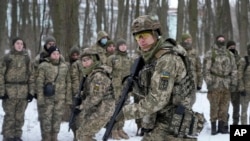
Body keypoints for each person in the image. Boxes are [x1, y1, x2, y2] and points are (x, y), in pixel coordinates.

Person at [115, 15, 202, 141]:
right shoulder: (149, 57)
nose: (141, 40)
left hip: (173, 120)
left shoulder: (167, 59)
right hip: (159, 116)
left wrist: (125, 113)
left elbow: (157, 100)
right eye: (137, 37)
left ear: (155, 34)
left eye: (145, 35)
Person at [75, 48, 115, 141]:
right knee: (83, 134)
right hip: (97, 108)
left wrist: (81, 107)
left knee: (83, 134)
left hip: (104, 109)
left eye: (88, 59)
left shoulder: (98, 75)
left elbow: (95, 97)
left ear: (94, 59)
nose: (85, 63)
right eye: (83, 60)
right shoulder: (89, 74)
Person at [0, 37, 35, 141]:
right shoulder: (7, 57)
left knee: (20, 116)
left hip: (23, 92)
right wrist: (2, 91)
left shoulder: (27, 58)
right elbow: (0, 75)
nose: (20, 45)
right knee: (10, 115)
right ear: (13, 45)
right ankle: (8, 136)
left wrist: (31, 91)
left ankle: (17, 136)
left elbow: (31, 75)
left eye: (21, 44)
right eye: (17, 43)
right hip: (9, 91)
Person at [203, 35, 237, 135]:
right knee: (214, 105)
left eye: (223, 39)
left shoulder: (229, 54)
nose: (221, 41)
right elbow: (206, 70)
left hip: (226, 83)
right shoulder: (210, 53)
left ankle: (222, 126)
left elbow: (234, 69)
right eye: (220, 39)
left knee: (225, 106)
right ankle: (214, 126)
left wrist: (234, 82)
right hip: (215, 83)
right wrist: (209, 82)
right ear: (216, 40)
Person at [36, 46, 72, 141]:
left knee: (57, 119)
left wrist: (68, 99)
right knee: (46, 119)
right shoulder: (44, 66)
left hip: (60, 98)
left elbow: (68, 82)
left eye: (57, 54)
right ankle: (46, 138)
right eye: (54, 54)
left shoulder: (64, 67)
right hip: (47, 98)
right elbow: (39, 83)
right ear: (50, 55)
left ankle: (54, 137)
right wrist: (40, 98)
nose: (56, 56)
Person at [107, 38, 133, 140]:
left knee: (123, 109)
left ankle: (120, 129)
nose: (123, 46)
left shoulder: (129, 59)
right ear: (118, 47)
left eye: (124, 45)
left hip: (126, 88)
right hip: (115, 88)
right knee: (115, 109)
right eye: (121, 45)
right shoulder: (112, 58)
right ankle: (113, 130)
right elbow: (107, 73)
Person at [180, 33, 203, 106]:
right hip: (180, 82)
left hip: (193, 81)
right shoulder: (178, 50)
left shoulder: (194, 52)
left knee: (191, 101)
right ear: (183, 41)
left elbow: (199, 69)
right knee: (180, 103)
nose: (189, 42)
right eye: (187, 40)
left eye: (190, 40)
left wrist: (199, 83)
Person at [226, 40, 241, 127]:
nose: (232, 48)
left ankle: (235, 122)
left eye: (233, 47)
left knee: (236, 106)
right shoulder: (224, 57)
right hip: (226, 86)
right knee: (225, 106)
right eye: (230, 47)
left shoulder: (239, 58)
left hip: (236, 86)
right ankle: (225, 123)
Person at [238, 43, 250, 125]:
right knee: (244, 111)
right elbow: (239, 75)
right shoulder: (244, 60)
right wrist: (241, 88)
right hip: (246, 90)